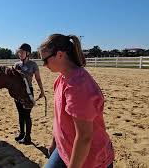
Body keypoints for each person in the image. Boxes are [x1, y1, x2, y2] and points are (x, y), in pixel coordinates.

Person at [38, 34, 115, 168]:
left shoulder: (78, 86)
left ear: (60, 55)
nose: (44, 65)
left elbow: (84, 137)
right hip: (64, 149)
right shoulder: (61, 79)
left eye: (45, 60)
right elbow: (59, 118)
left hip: (90, 160)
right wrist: (54, 143)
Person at [14, 43, 45, 145]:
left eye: (22, 52)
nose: (20, 54)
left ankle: (28, 137)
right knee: (20, 114)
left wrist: (42, 91)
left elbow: (38, 78)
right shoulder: (16, 65)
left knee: (26, 114)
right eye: (19, 52)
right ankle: (22, 134)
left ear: (28, 53)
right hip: (18, 93)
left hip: (28, 93)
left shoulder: (33, 65)